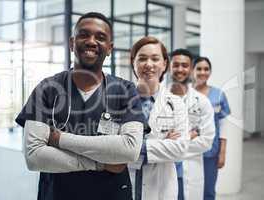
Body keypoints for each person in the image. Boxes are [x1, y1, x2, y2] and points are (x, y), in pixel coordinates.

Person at [15, 12, 145, 200]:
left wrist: (60, 140)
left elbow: (129, 149)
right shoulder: (47, 89)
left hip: (112, 194)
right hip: (58, 194)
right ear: (71, 43)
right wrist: (100, 163)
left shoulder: (125, 90)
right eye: (84, 35)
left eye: (100, 37)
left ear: (109, 48)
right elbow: (34, 156)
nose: (92, 41)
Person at [128, 36, 190, 200]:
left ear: (164, 64)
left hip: (161, 187)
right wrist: (163, 143)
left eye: (155, 58)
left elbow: (181, 149)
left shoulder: (176, 103)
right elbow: (110, 146)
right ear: (133, 62)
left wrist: (133, 146)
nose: (148, 64)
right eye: (142, 58)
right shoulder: (117, 101)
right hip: (124, 181)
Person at [169, 49, 215, 200]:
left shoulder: (202, 102)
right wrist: (189, 136)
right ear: (168, 66)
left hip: (190, 168)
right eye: (176, 65)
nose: (180, 69)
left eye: (185, 65)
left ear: (190, 69)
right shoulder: (158, 98)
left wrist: (171, 142)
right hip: (165, 169)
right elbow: (153, 139)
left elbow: (206, 141)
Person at [193, 57, 231, 200]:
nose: (203, 72)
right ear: (193, 70)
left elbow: (223, 125)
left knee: (208, 191)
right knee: (187, 189)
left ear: (210, 72)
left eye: (206, 69)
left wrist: (222, 152)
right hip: (188, 151)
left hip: (211, 151)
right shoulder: (186, 94)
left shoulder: (218, 95)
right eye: (199, 69)